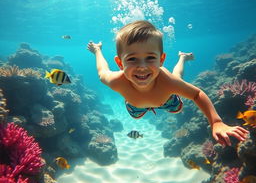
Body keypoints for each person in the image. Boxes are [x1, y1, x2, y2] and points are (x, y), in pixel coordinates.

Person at [87, 20, 248, 147]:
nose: (142, 67)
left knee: (176, 78)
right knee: (137, 114)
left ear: (161, 60)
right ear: (120, 63)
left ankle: (183, 57)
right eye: (132, 59)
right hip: (135, 106)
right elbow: (102, 71)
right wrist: (97, 50)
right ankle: (181, 58)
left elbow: (197, 94)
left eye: (150, 58)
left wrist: (216, 122)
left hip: (167, 100)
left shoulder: (168, 82)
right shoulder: (117, 82)